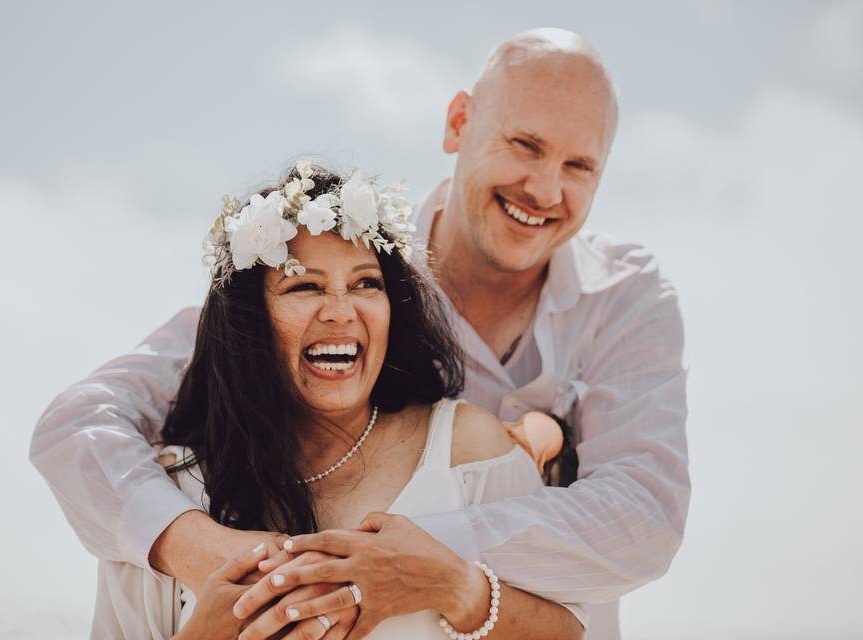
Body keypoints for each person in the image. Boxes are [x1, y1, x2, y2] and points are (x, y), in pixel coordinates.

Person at [31, 28, 689, 640]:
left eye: (581, 166)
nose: (545, 188)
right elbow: (81, 421)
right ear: (459, 122)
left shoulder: (624, 301)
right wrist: (193, 546)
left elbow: (645, 516)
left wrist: (423, 556)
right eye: (525, 145)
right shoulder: (353, 264)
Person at [91, 164, 585, 639]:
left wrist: (453, 587)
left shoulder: (470, 450)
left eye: (366, 283)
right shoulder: (167, 496)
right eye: (304, 286)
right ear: (249, 320)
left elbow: (570, 632)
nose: (341, 312)